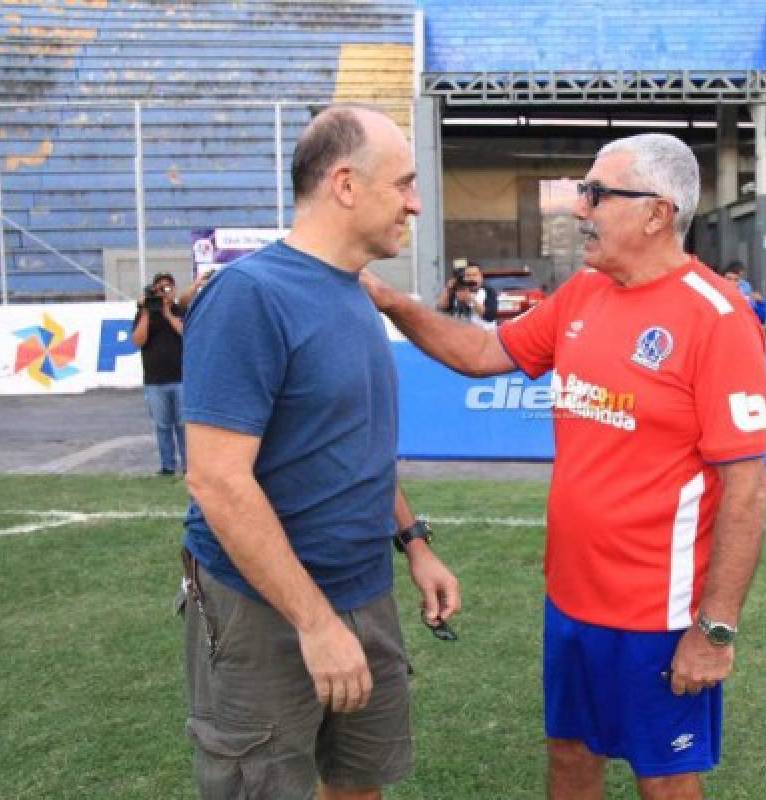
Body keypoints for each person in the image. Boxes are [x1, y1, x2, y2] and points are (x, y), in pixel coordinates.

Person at [362, 133, 766, 800]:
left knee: (665, 781)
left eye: (596, 194)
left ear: (655, 213)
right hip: (572, 599)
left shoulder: (717, 319)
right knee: (571, 758)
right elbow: (481, 354)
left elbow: (748, 492)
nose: (580, 210)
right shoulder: (584, 293)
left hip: (659, 614)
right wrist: (394, 302)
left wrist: (714, 630)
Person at [179, 105, 461, 800]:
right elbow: (216, 482)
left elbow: (354, 445)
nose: (416, 203)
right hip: (263, 607)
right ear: (344, 185)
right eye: (403, 183)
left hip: (365, 588)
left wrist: (413, 540)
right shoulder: (250, 296)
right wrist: (315, 623)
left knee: (359, 784)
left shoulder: (355, 292)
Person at [131, 271, 186, 475]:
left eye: (167, 288)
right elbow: (138, 341)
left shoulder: (179, 310)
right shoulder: (145, 313)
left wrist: (167, 312)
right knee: (163, 425)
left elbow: (184, 332)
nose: (164, 292)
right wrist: (146, 311)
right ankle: (167, 465)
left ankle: (188, 465)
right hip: (155, 379)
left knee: (183, 425)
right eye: (160, 288)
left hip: (180, 377)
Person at [435, 262, 498, 328]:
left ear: (481, 277)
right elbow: (441, 309)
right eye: (468, 275)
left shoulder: (488, 291)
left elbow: (490, 316)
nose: (471, 278)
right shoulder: (456, 290)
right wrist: (448, 289)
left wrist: (471, 300)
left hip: (482, 333)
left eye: (474, 275)